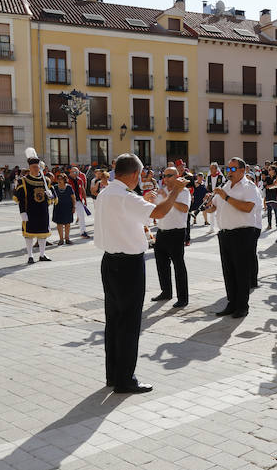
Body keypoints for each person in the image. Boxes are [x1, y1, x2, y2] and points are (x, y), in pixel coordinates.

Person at [96, 153, 186, 394]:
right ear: (135, 174)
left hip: (109, 261)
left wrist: (144, 201)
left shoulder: (106, 193)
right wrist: (176, 190)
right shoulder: (126, 197)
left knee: (114, 321)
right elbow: (158, 213)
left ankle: (113, 375)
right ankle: (126, 380)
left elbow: (131, 213)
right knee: (129, 323)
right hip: (128, 265)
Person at [203, 157, 261, 318]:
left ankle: (242, 306)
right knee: (228, 271)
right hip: (225, 233)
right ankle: (232, 303)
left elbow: (248, 207)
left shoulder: (249, 187)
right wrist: (208, 207)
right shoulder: (225, 186)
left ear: (242, 171)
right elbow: (214, 207)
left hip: (242, 233)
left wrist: (226, 197)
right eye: (228, 169)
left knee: (241, 272)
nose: (230, 172)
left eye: (233, 169)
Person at [151, 166, 192, 308]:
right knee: (161, 264)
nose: (166, 178)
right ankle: (166, 291)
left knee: (178, 265)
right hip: (162, 231)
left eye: (169, 175)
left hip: (177, 232)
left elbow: (185, 208)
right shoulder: (161, 191)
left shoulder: (184, 191)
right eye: (164, 175)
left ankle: (183, 297)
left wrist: (170, 198)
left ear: (177, 176)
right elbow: (155, 209)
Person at [14, 148, 56, 264]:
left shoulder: (46, 180)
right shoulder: (23, 181)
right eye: (33, 167)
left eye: (37, 167)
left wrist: (50, 195)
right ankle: (30, 256)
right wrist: (22, 212)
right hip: (30, 211)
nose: (36, 169)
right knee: (29, 235)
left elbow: (53, 197)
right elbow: (20, 198)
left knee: (42, 234)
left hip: (43, 211)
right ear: (30, 168)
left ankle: (42, 255)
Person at [52, 174, 76, 245]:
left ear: (64, 180)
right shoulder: (55, 187)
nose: (59, 180)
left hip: (68, 207)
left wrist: (74, 207)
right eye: (58, 179)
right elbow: (51, 196)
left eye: (61, 179)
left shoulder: (69, 187)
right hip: (58, 207)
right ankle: (61, 239)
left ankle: (67, 239)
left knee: (67, 224)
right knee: (59, 223)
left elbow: (73, 198)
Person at [67, 167, 90, 238]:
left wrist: (85, 200)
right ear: (70, 172)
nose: (76, 174)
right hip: (69, 201)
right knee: (67, 218)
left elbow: (83, 190)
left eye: (77, 172)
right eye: (74, 172)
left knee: (81, 217)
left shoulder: (80, 180)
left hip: (78, 200)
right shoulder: (67, 180)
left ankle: (83, 232)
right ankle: (66, 236)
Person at [204, 162, 224, 233]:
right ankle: (212, 228)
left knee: (219, 212)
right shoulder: (208, 177)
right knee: (211, 213)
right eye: (210, 168)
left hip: (219, 197)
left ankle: (220, 228)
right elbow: (206, 186)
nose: (211, 170)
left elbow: (224, 187)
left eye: (212, 168)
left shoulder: (221, 177)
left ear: (216, 169)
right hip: (211, 197)